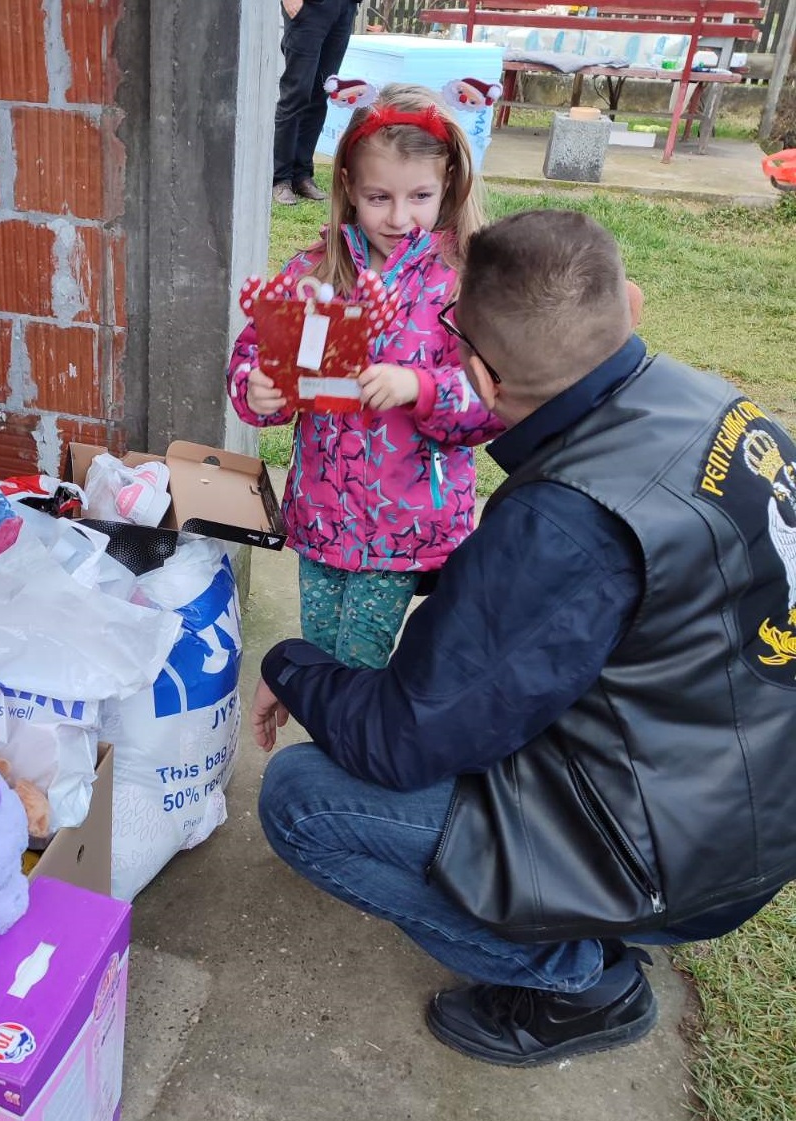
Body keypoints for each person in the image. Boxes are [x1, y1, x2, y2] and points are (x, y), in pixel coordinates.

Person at [249, 208, 796, 1066]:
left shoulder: (564, 522)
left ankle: (578, 980)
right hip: (739, 795)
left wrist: (289, 663)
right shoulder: (716, 401)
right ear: (634, 306)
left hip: (676, 849)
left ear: (477, 372)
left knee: (302, 797)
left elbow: (402, 741)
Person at [229, 83, 503, 670]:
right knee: (319, 654)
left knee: (360, 662)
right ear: (349, 186)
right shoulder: (314, 271)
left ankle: (344, 757)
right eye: (379, 197)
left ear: (450, 182)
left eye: (420, 196)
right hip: (322, 514)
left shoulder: (465, 280)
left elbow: (495, 399)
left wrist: (419, 388)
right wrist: (260, 390)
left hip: (405, 524)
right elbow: (258, 355)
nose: (400, 217)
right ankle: (325, 752)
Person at [272, 0, 361, 206]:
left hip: (344, 8)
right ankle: (280, 178)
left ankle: (302, 175)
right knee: (297, 92)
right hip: (310, 8)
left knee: (321, 92)